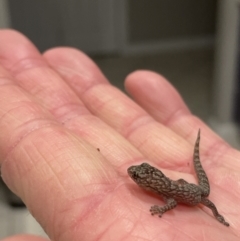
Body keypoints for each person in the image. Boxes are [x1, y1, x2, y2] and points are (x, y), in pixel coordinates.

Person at [0, 29, 238, 241]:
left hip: (196, 193)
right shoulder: (167, 186)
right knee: (190, 179)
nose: (132, 175)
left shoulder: (170, 194)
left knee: (206, 201)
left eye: (137, 176)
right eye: (138, 174)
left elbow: (174, 202)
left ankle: (218, 215)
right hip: (183, 186)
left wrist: (170, 210)